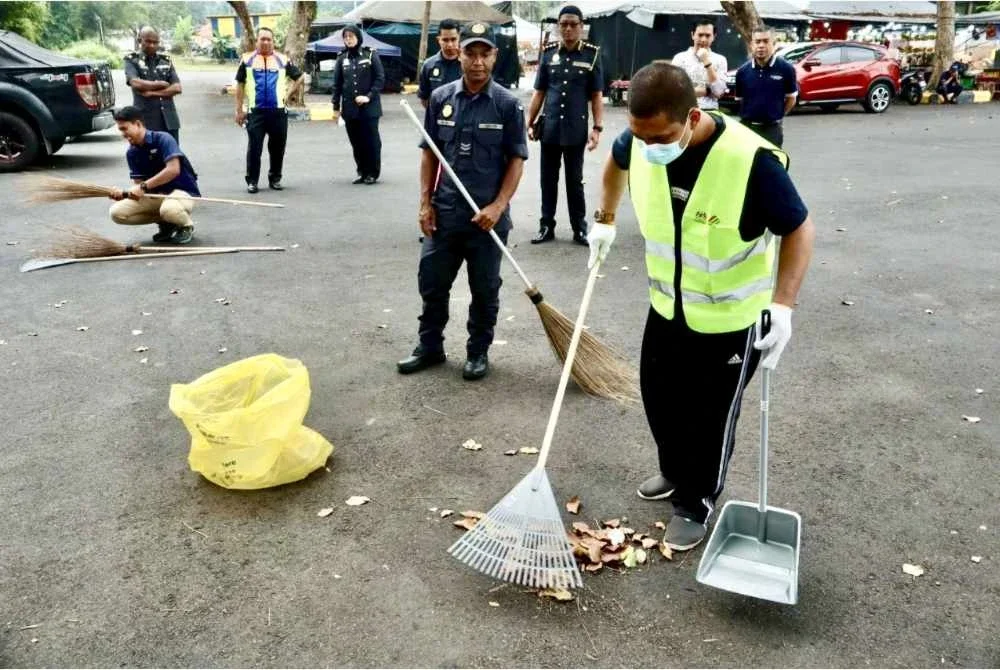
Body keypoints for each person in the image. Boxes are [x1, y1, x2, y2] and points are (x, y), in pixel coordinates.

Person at [586, 62, 815, 551]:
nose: (649, 147)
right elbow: (617, 161)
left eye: (660, 138)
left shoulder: (750, 161)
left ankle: (696, 501)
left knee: (708, 417)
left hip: (731, 319)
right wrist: (605, 218)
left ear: (692, 117)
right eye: (641, 136)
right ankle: (673, 471)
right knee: (659, 397)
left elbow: (799, 228)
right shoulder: (642, 139)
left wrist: (784, 305)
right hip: (668, 306)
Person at [397, 22, 528, 382]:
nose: (478, 61)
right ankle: (430, 347)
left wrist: (498, 206)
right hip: (445, 213)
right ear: (460, 56)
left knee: (485, 290)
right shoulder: (441, 98)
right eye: (471, 53)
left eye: (485, 54)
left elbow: (517, 160)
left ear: (495, 57)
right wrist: (425, 204)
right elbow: (430, 154)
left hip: (487, 220)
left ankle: (477, 352)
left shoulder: (507, 105)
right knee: (432, 284)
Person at [526, 4, 604, 247]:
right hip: (550, 129)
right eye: (563, 25)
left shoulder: (592, 55)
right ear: (558, 27)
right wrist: (529, 122)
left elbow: (596, 96)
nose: (568, 29)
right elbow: (539, 92)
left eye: (573, 25)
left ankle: (579, 229)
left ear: (581, 27)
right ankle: (546, 226)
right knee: (547, 181)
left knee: (574, 181)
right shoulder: (548, 53)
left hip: (575, 130)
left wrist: (597, 128)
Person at [107, 106, 201, 245]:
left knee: (170, 210)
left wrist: (143, 187)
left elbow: (173, 170)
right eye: (120, 130)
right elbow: (138, 185)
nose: (123, 134)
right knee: (116, 213)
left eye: (124, 129)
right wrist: (124, 194)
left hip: (182, 191)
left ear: (138, 124)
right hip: (156, 195)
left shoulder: (163, 138)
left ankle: (185, 226)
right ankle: (167, 223)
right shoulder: (132, 153)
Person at [234, 27, 305, 193]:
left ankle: (275, 179)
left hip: (278, 112)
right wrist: (239, 110)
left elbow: (300, 77)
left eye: (269, 39)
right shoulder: (247, 60)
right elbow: (240, 84)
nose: (265, 42)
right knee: (254, 148)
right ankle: (252, 181)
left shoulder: (282, 59)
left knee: (277, 148)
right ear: (257, 41)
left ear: (273, 42)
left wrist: (288, 94)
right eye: (262, 39)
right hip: (256, 112)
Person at [331, 24, 385, 185]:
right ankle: (362, 171)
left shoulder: (370, 54)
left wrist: (369, 96)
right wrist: (335, 107)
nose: (348, 40)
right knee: (356, 142)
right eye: (345, 37)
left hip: (369, 108)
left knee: (371, 141)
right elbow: (337, 85)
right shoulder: (342, 58)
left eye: (351, 36)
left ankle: (372, 173)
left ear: (358, 37)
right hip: (350, 109)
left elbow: (380, 79)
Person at [733, 25, 798, 148]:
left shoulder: (786, 69)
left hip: (772, 130)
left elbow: (791, 98)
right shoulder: (742, 72)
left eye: (766, 41)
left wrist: (778, 115)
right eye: (757, 42)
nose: (761, 45)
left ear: (774, 44)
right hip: (747, 129)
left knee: (771, 159)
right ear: (751, 45)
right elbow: (740, 100)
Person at [123, 27, 182, 143]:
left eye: (155, 42)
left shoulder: (165, 61)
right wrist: (161, 84)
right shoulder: (132, 60)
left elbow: (177, 88)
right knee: (145, 153)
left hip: (169, 120)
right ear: (140, 40)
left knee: (172, 152)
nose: (152, 45)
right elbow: (135, 83)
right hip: (145, 120)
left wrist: (151, 93)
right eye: (148, 41)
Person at [671, 20, 728, 110]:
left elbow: (719, 92)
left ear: (714, 37)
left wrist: (707, 62)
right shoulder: (680, 58)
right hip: (684, 110)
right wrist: (707, 91)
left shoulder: (720, 60)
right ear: (693, 35)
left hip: (710, 111)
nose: (703, 39)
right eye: (700, 35)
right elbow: (674, 91)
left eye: (708, 36)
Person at [418, 18, 463, 108]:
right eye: (445, 40)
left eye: (453, 39)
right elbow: (424, 98)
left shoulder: (468, 64)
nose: (450, 44)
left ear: (459, 38)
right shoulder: (428, 65)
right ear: (438, 39)